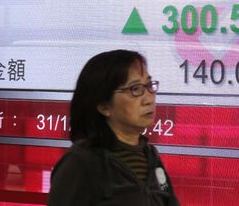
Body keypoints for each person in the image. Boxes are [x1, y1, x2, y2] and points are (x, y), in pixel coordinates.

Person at [47, 49, 181, 206]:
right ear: (104, 106)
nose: (148, 98)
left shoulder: (151, 157)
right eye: (135, 89)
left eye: (149, 85)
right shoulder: (80, 163)